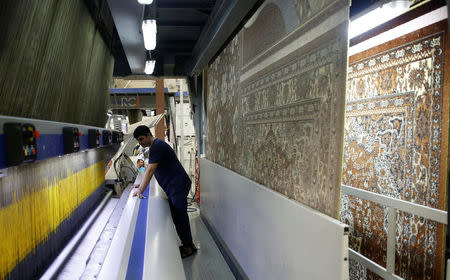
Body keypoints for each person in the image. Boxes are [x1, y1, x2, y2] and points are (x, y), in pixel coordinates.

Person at [132, 125, 197, 258]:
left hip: (177, 186)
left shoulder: (157, 146)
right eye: (138, 140)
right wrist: (140, 184)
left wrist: (140, 190)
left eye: (141, 139)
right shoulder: (155, 146)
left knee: (180, 217)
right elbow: (152, 169)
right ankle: (188, 244)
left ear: (149, 135)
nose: (140, 143)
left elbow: (150, 170)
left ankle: (188, 248)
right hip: (175, 186)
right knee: (178, 217)